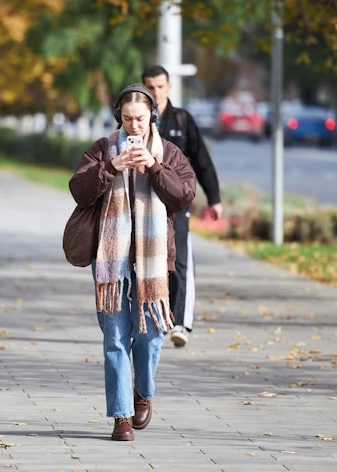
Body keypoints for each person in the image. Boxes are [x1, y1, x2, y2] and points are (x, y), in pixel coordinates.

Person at [69, 85, 195, 441]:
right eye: (127, 118)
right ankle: (122, 415)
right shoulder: (103, 149)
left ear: (152, 116)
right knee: (115, 337)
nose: (134, 125)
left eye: (140, 118)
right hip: (111, 262)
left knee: (151, 335)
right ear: (118, 117)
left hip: (154, 262)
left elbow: (183, 195)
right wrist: (111, 167)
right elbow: (78, 190)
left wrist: (154, 167)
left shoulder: (168, 152)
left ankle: (143, 392)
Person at [142, 65, 223, 348]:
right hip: (144, 202)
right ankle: (154, 319)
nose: (155, 92)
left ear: (169, 87)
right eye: (149, 86)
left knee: (180, 261)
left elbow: (202, 160)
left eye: (160, 86)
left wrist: (214, 198)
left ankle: (180, 323)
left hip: (176, 202)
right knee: (148, 260)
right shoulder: (136, 118)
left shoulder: (182, 120)